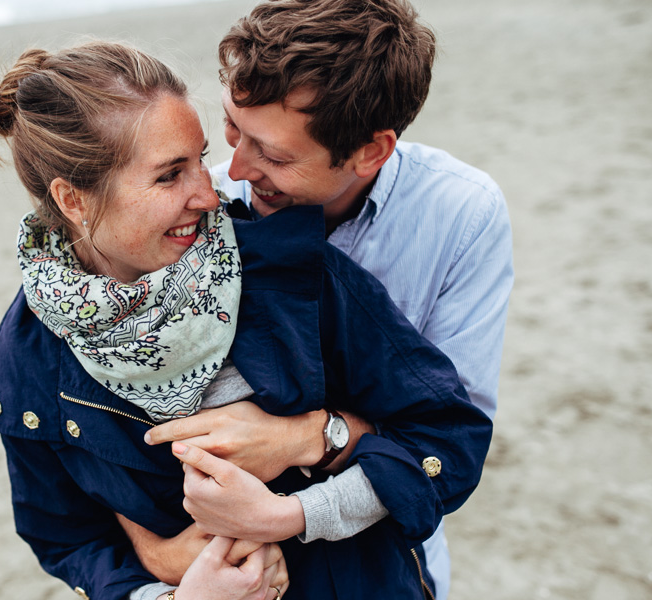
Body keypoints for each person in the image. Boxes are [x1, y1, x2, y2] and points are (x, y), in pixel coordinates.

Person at [0, 40, 491, 600]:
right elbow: (66, 539)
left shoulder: (291, 271)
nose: (209, 193)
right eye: (170, 175)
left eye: (199, 158)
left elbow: (446, 439)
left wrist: (295, 513)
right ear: (72, 200)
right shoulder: (30, 348)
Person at [131, 1, 514, 599]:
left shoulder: (462, 216)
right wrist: (151, 549)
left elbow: (454, 436)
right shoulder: (202, 200)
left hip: (386, 564)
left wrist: (310, 436)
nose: (234, 169)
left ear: (370, 151)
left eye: (275, 156)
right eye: (234, 127)